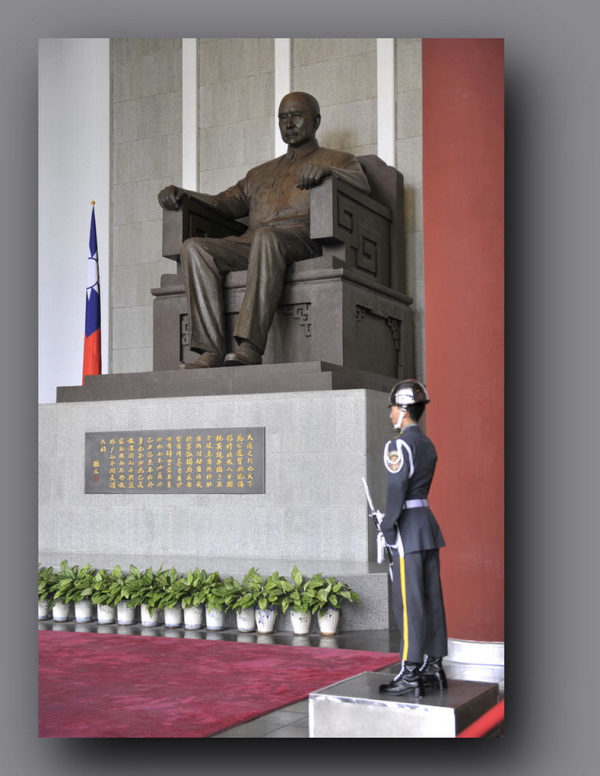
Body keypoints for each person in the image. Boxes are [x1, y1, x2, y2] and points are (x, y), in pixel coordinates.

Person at [157, 91, 370, 368]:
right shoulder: (259, 173)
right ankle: (210, 351)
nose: (289, 123)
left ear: (316, 121)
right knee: (194, 247)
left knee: (266, 238)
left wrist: (330, 173)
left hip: (302, 238)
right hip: (253, 242)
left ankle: (250, 347)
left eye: (296, 116)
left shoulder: (337, 160)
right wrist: (182, 194)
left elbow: (363, 185)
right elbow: (223, 203)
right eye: (283, 117)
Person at [377, 379, 448, 698]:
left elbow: (396, 490)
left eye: (393, 408)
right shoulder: (428, 444)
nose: (390, 413)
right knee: (431, 598)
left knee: (409, 602)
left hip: (407, 529)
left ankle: (409, 671)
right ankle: (434, 665)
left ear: (404, 410)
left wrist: (387, 526)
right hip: (427, 526)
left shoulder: (398, 445)